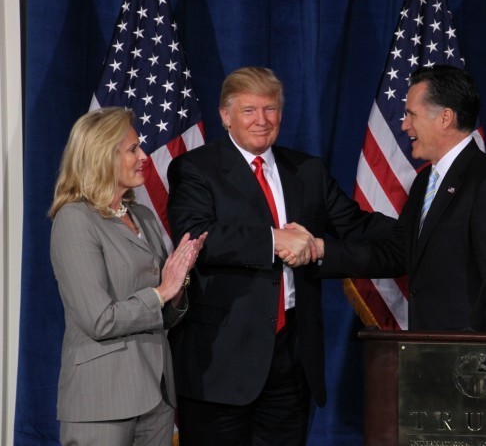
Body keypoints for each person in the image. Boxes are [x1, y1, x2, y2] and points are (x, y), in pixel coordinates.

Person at [166, 66, 395, 445]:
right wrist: (275, 240)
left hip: (291, 359)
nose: (262, 120)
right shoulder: (195, 168)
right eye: (249, 110)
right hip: (221, 363)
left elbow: (356, 226)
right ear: (225, 116)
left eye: (270, 109)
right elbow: (197, 237)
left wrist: (419, 229)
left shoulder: (307, 170)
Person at [323, 65, 486, 331]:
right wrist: (320, 251)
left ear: (445, 118)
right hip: (427, 350)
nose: (405, 125)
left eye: (411, 114)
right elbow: (397, 254)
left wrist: (485, 365)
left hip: (465, 360)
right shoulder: (424, 181)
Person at [49, 107, 207, 445]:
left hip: (156, 394)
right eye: (133, 149)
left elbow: (164, 312)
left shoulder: (144, 216)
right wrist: (164, 291)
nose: (144, 156)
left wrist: (177, 286)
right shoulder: (75, 220)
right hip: (102, 401)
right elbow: (99, 319)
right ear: (103, 156)